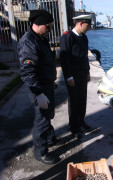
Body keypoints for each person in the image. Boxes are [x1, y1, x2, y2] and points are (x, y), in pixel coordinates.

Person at [18, 10, 60, 164]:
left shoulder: (41, 38)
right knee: (41, 119)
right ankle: (40, 152)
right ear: (38, 24)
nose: (50, 30)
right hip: (39, 88)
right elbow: (27, 71)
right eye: (48, 27)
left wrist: (50, 81)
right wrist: (38, 92)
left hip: (46, 84)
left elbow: (44, 63)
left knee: (48, 114)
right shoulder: (28, 42)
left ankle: (49, 138)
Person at [60, 14, 92, 139]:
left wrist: (88, 72)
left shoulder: (84, 38)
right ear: (81, 23)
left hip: (83, 74)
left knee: (82, 100)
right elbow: (64, 59)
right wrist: (68, 77)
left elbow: (85, 57)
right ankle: (74, 127)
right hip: (72, 75)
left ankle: (81, 121)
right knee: (74, 101)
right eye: (88, 25)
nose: (88, 28)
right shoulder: (67, 37)